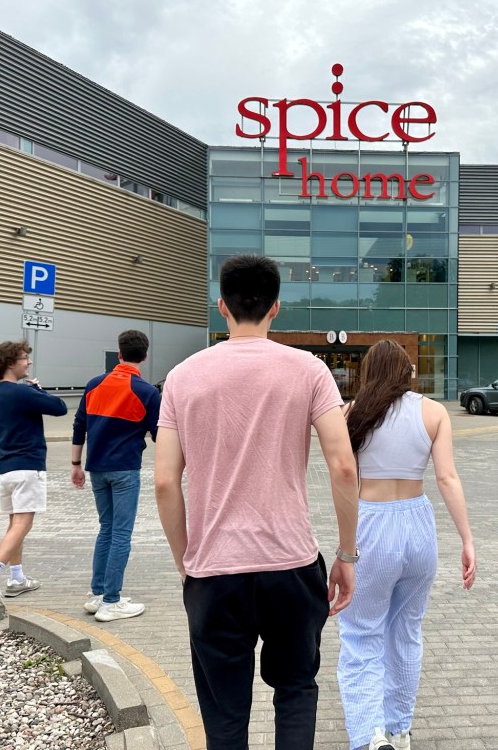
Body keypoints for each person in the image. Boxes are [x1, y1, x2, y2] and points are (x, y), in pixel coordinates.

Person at [154, 253, 360, 750]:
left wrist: (186, 561)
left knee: (224, 715)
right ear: (276, 307)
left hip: (214, 570)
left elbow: (164, 482)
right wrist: (347, 553)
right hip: (290, 563)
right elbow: (343, 466)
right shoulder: (309, 370)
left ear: (221, 306)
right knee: (295, 689)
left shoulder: (182, 376)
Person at [337, 340, 476, 750]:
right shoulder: (433, 412)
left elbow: (345, 477)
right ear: (407, 372)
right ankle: (399, 729)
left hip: (371, 523)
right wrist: (467, 538)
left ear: (367, 372)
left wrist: (345, 547)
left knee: (362, 634)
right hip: (418, 525)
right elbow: (447, 478)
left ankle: (369, 735)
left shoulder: (350, 413)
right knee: (407, 632)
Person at [71, 330, 161, 622]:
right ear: (144, 356)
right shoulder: (147, 392)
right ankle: (111, 602)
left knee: (106, 529)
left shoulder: (94, 384)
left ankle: (98, 594)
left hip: (96, 468)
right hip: (125, 470)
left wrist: (75, 463)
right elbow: (159, 434)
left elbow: (79, 424)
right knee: (121, 533)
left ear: (119, 354)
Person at [0, 340, 67, 604]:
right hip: (28, 466)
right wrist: (37, 389)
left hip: (5, 468)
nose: (29, 362)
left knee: (15, 524)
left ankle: (17, 578)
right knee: (24, 523)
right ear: (10, 363)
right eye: (25, 358)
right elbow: (59, 407)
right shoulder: (22, 392)